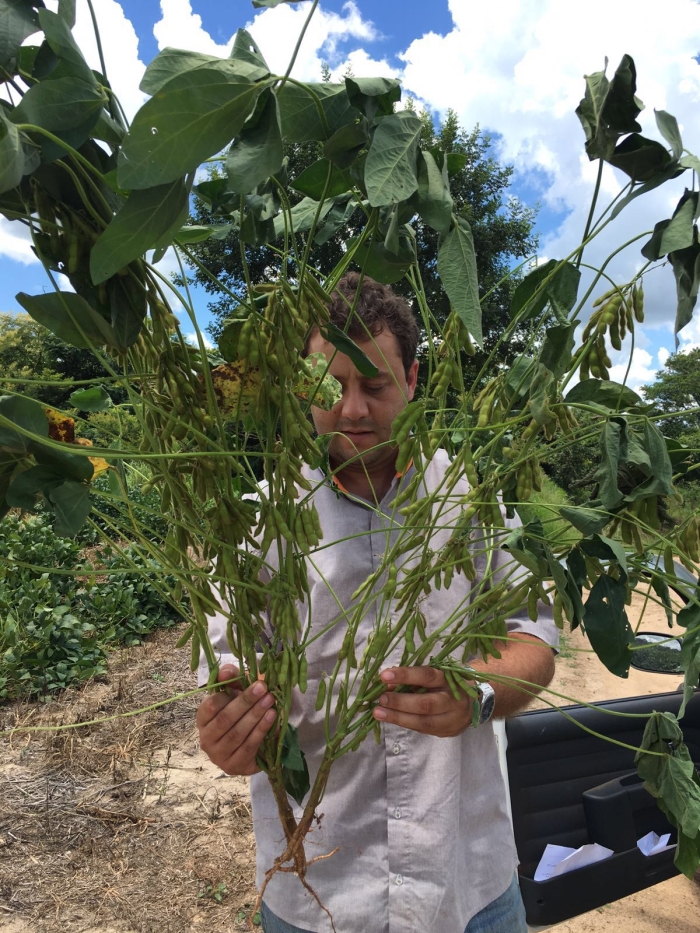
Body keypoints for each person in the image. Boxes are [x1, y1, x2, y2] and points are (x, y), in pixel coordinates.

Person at [197, 273, 558, 933]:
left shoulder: (472, 497)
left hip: (467, 884)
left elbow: (533, 639)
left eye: (374, 385)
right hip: (316, 896)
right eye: (329, 387)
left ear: (413, 380)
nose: (352, 410)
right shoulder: (260, 520)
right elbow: (222, 680)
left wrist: (474, 691)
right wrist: (230, 734)